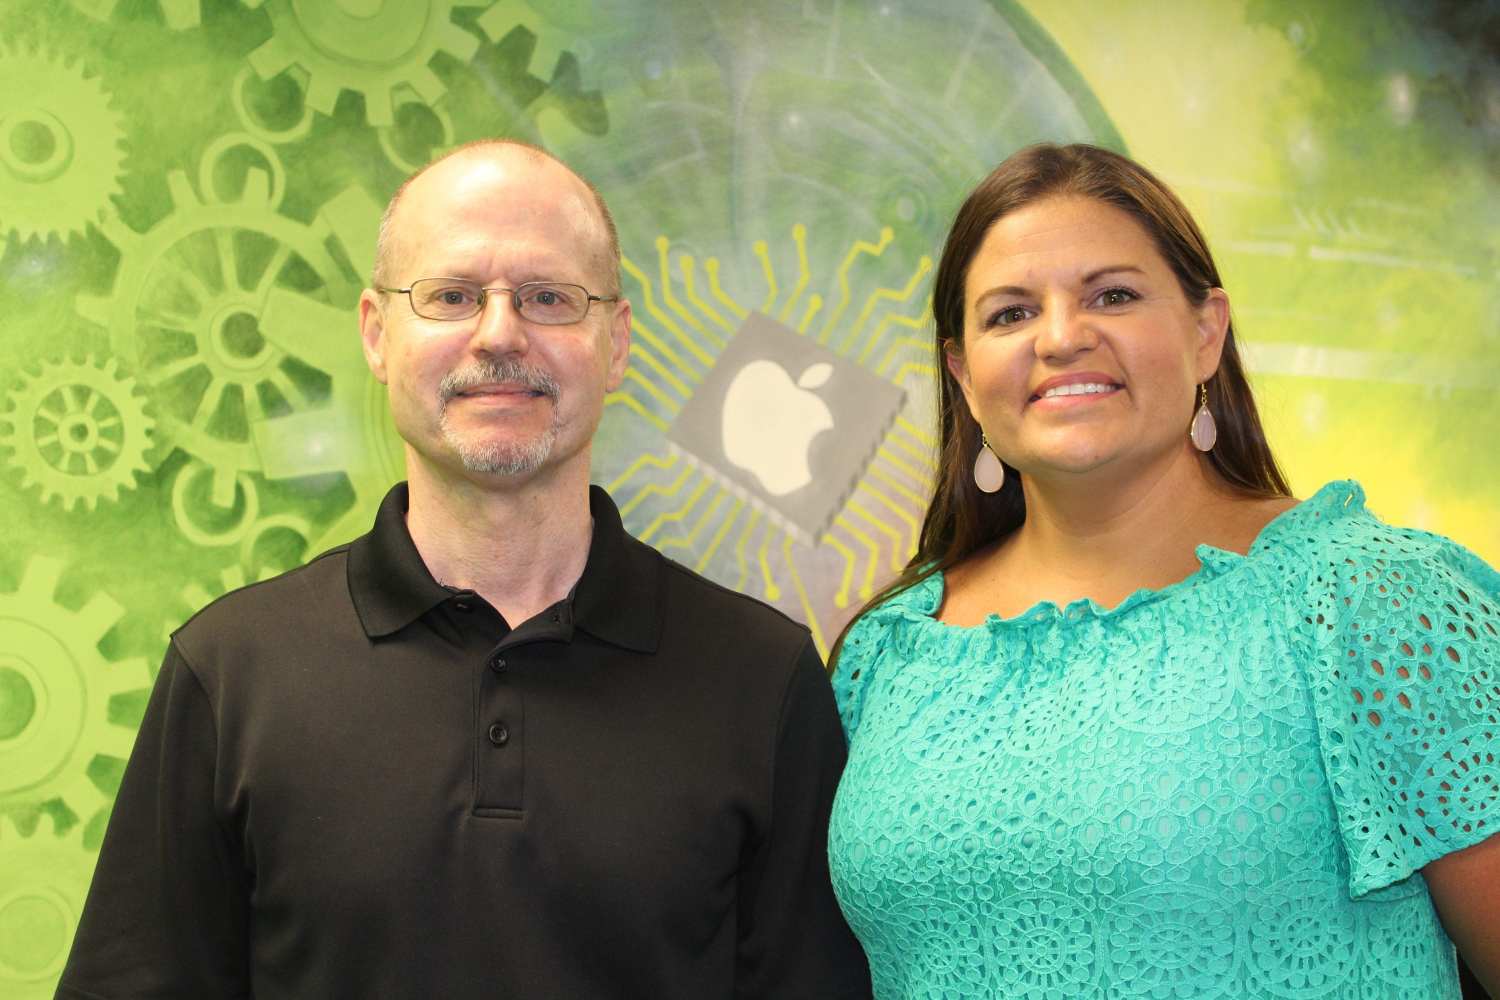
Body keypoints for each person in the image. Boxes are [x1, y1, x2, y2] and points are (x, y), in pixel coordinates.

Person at [58, 140, 872, 999]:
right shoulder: (228, 671)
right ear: (377, 334)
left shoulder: (763, 677)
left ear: (617, 341)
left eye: (548, 297)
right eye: (450, 296)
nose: (499, 333)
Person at [826, 143, 1499, 999]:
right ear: (961, 373)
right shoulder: (887, 655)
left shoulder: (1373, 603)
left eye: (1113, 294)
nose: (1063, 337)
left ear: (1205, 331)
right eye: (1009, 314)